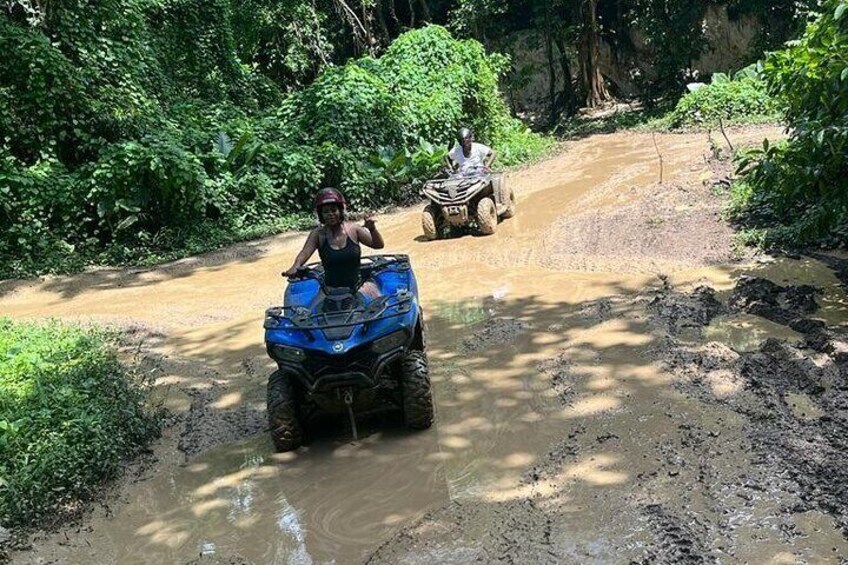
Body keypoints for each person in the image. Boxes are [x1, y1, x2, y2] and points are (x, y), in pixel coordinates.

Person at [282, 188, 384, 300]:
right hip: (330, 290)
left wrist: (372, 229)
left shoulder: (354, 229)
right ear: (321, 215)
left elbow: (378, 245)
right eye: (326, 211)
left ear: (340, 211)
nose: (330, 214)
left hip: (358, 287)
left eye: (333, 210)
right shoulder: (318, 234)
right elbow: (305, 252)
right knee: (310, 312)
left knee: (382, 306)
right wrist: (295, 266)